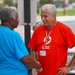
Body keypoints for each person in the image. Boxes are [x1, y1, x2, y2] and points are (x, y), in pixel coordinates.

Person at [28, 4, 75, 75]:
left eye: (45, 16)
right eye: (41, 16)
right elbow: (33, 48)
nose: (42, 19)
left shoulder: (65, 30)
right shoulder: (38, 30)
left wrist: (69, 67)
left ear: (54, 16)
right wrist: (35, 63)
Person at [0, 7, 42, 75]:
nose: (18, 20)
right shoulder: (13, 35)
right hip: (15, 72)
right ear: (11, 20)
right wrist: (37, 66)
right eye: (17, 18)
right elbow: (26, 59)